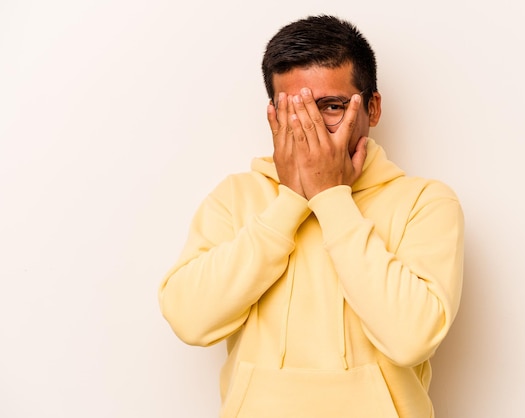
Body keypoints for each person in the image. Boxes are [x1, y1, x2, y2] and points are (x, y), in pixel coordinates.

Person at [159, 14, 464, 418]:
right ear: (273, 115)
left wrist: (331, 198)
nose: (312, 129)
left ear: (372, 108)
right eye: (294, 111)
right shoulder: (235, 197)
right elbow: (189, 320)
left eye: (331, 107)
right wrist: (290, 202)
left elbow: (411, 338)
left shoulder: (425, 203)